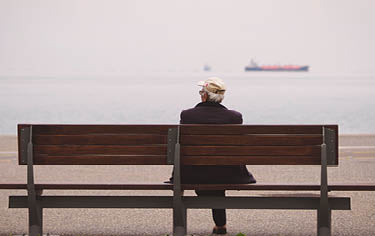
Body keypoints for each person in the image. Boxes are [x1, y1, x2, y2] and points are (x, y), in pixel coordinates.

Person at [174, 77, 256, 235]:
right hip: (229, 175)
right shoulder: (234, 117)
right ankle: (220, 224)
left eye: (201, 92)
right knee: (217, 172)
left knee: (207, 174)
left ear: (204, 96)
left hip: (193, 175)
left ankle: (218, 223)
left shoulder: (188, 116)